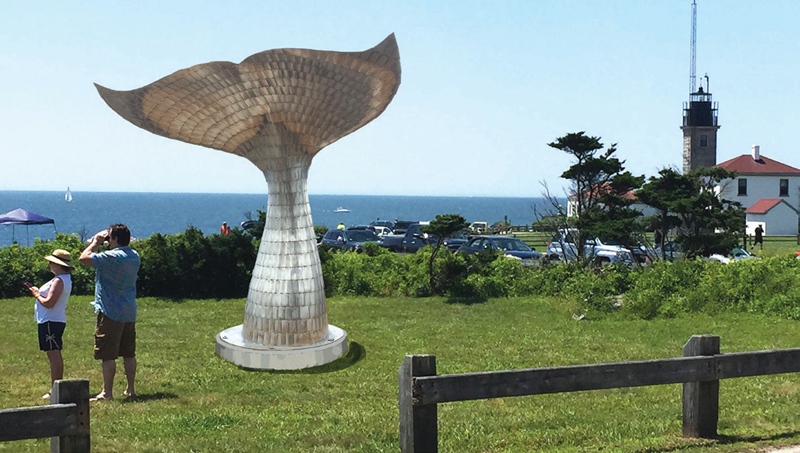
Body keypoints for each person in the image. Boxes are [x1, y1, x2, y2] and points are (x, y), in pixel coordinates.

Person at [79, 224, 141, 401]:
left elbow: (84, 259)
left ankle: (107, 392)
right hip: (129, 310)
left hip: (110, 311)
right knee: (129, 353)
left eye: (110, 237)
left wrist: (96, 242)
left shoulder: (112, 257)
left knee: (108, 354)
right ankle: (131, 389)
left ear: (114, 239)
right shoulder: (133, 256)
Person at [27, 249, 73, 400]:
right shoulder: (62, 278)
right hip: (51, 320)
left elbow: (49, 302)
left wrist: (36, 294)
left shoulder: (59, 281)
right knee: (53, 354)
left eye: (52, 262)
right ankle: (56, 386)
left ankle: (56, 388)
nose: (49, 264)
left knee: (54, 355)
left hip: (50, 321)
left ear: (58, 264)